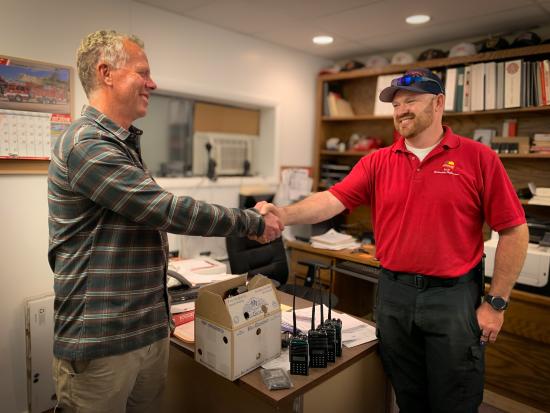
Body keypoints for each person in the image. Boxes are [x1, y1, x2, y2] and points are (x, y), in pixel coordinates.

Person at [258, 68, 528, 413]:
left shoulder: (478, 158)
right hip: (394, 295)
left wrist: (496, 303)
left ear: (439, 103)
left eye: (411, 101)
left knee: (455, 399)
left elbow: (514, 230)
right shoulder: (377, 161)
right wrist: (283, 214)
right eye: (397, 104)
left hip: (452, 298)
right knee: (408, 395)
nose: (401, 110)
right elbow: (332, 199)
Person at [47, 30, 282, 413]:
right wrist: (252, 222)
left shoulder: (121, 144)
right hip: (103, 342)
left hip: (147, 331)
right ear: (106, 73)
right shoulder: (86, 144)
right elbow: (165, 210)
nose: (152, 83)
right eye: (143, 72)